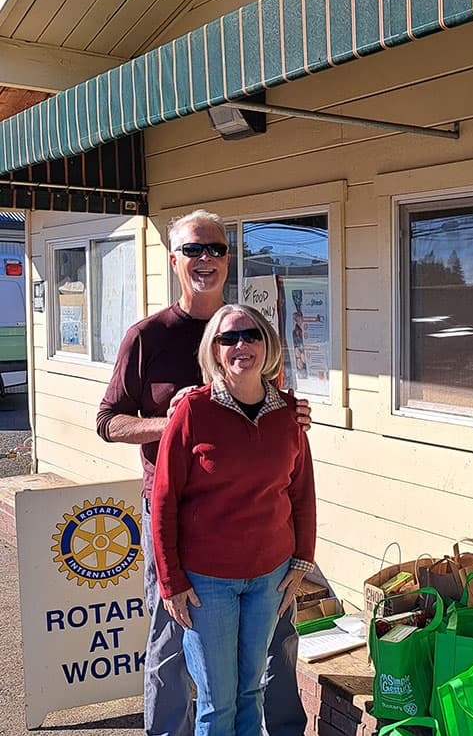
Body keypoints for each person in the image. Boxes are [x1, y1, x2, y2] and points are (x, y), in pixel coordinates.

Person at [96, 209, 311, 736]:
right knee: (173, 639)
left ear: (227, 258)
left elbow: (278, 411)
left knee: (276, 640)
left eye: (215, 249)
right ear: (174, 260)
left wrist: (295, 415)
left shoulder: (252, 332)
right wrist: (167, 428)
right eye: (193, 250)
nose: (205, 259)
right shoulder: (147, 337)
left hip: (257, 527)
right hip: (175, 514)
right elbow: (107, 421)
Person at [151, 304, 316, 736]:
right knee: (215, 704)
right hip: (207, 584)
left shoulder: (289, 414)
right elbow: (164, 502)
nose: (241, 345)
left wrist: (301, 562)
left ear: (268, 345)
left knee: (252, 694)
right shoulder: (192, 412)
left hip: (270, 577)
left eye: (251, 335)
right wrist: (171, 582)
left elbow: (301, 493)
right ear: (214, 350)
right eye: (228, 338)